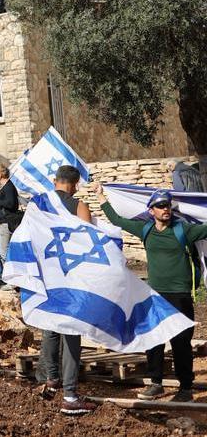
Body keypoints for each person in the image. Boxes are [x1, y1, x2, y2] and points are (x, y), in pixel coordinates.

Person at [95, 185, 204, 403]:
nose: (166, 209)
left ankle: (185, 387)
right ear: (151, 210)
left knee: (181, 341)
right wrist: (101, 197)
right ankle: (156, 382)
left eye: (168, 205)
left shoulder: (184, 230)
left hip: (179, 294)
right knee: (154, 337)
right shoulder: (145, 230)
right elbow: (117, 220)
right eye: (161, 206)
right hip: (154, 295)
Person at [35, 165, 96, 416]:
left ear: (54, 181)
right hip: (71, 274)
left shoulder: (38, 204)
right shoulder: (79, 205)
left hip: (47, 274)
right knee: (71, 332)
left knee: (50, 327)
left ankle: (51, 378)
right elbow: (90, 239)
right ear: (74, 184)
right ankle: (70, 395)